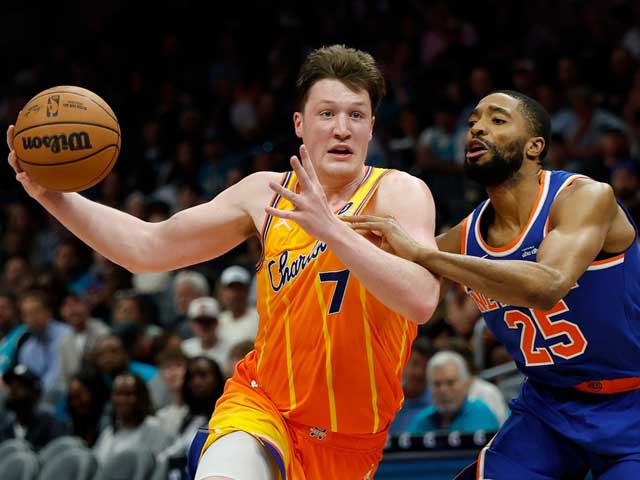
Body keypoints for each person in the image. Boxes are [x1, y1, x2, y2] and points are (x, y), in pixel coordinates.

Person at [7, 44, 440, 479]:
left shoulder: (398, 192)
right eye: (327, 113)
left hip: (350, 441)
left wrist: (333, 230)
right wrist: (54, 196)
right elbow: (147, 246)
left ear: (371, 127)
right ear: (300, 124)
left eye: (356, 115)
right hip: (261, 406)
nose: (342, 129)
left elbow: (422, 300)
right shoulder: (265, 194)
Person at [346, 90, 640, 479]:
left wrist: (424, 254)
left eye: (497, 120)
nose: (478, 128)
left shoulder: (584, 197)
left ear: (535, 146)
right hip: (546, 408)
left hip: (631, 403)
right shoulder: (465, 236)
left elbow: (547, 286)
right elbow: (386, 281)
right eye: (473, 123)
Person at [407, 350, 500, 434]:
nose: (443, 390)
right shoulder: (424, 419)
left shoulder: (480, 414)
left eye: (450, 383)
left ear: (466, 385)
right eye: (437, 384)